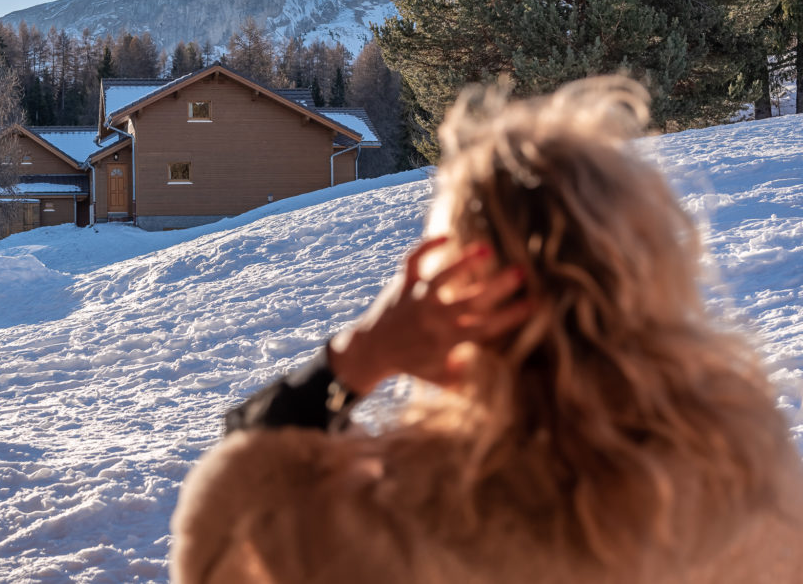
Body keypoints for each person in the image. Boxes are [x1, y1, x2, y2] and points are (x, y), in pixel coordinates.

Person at [169, 77, 803, 583]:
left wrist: (357, 356)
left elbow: (221, 535)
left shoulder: (398, 521)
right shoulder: (749, 471)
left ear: (460, 291)